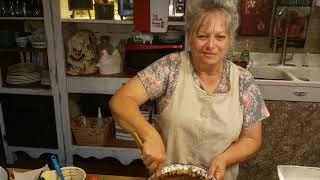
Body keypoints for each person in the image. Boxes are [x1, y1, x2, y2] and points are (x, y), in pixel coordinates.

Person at [109, 0, 270, 179]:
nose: (210, 45)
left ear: (230, 40)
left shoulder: (244, 81)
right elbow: (121, 101)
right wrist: (150, 135)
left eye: (220, 37)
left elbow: (252, 139)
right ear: (190, 36)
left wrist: (225, 159)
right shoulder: (171, 67)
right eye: (202, 36)